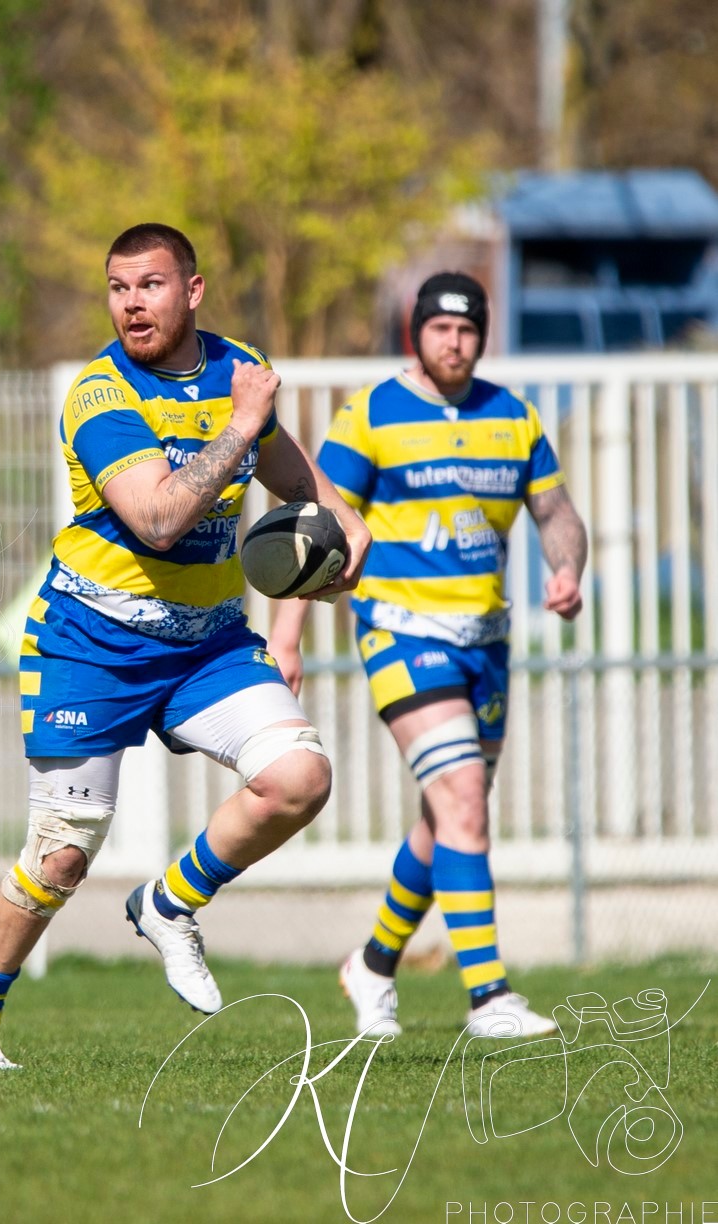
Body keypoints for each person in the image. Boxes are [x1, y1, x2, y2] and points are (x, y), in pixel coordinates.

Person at [0, 223, 371, 1071]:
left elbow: (292, 475)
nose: (132, 303)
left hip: (205, 645)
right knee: (64, 848)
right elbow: (161, 519)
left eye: (151, 285)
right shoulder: (100, 395)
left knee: (300, 778)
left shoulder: (237, 369)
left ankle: (169, 903)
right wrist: (242, 426)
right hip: (89, 642)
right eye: (118, 288)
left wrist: (344, 526)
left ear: (193, 290)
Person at [269, 272, 587, 1040]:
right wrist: (286, 637)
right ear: (417, 333)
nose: (455, 342)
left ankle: (373, 966)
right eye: (441, 329)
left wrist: (567, 565)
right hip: (401, 631)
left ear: (483, 336)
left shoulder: (511, 417)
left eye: (469, 330)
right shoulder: (372, 412)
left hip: (486, 640)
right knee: (465, 802)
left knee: (447, 816)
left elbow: (556, 511)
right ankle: (490, 998)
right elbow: (316, 523)